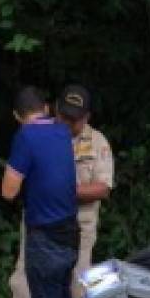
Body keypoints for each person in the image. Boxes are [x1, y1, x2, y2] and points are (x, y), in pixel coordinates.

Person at [0, 86, 78, 298]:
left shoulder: (26, 136)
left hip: (45, 237)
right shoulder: (63, 130)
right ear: (46, 108)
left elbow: (8, 192)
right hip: (71, 232)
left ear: (16, 116)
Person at [56, 84, 115, 283]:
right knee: (27, 289)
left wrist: (62, 192)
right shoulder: (42, 136)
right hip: (42, 227)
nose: (68, 123)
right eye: (64, 116)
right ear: (56, 109)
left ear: (86, 117)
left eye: (74, 119)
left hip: (80, 227)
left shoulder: (98, 142)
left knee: (77, 288)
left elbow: (103, 188)